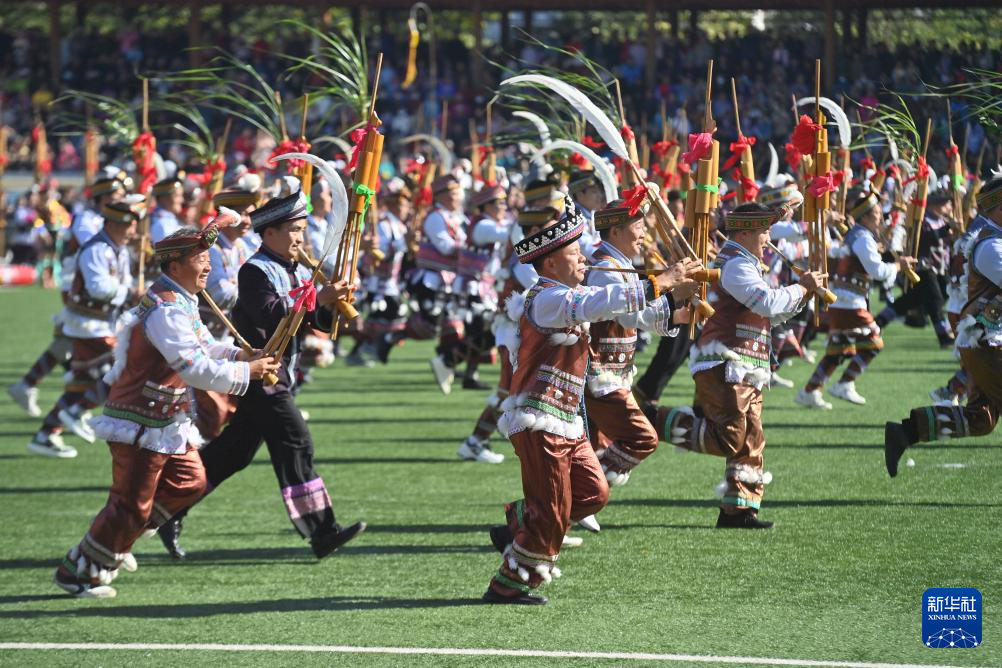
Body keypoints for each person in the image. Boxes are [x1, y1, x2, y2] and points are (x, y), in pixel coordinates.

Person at [483, 202, 700, 605]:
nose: (584, 258)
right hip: (539, 419)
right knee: (553, 513)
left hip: (567, 418)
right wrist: (661, 282)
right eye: (574, 253)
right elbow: (600, 303)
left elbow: (610, 303)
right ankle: (507, 585)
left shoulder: (568, 293)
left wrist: (674, 301)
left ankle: (523, 518)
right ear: (551, 263)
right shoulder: (546, 299)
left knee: (594, 492)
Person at [53, 222, 278, 598]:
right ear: (175, 266)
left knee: (190, 482)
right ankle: (76, 571)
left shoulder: (181, 300)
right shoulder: (166, 310)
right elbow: (193, 367)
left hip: (166, 419)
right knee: (131, 505)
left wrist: (240, 355)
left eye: (208, 257)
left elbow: (205, 345)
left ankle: (119, 541)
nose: (208, 265)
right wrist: (247, 372)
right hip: (140, 421)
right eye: (200, 258)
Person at [168, 190, 366, 559]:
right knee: (297, 441)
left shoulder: (299, 269)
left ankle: (168, 509)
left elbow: (313, 320)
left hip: (280, 373)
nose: (300, 238)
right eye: (294, 230)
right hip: (261, 376)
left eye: (302, 229)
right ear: (270, 233)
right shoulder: (254, 270)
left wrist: (333, 307)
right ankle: (322, 531)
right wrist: (319, 299)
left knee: (233, 453)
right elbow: (269, 313)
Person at [649, 203, 826, 529]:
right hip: (724, 361)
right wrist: (801, 287)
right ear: (745, 233)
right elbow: (766, 302)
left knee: (751, 440)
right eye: (764, 232)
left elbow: (771, 315)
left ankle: (739, 510)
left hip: (747, 365)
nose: (768, 239)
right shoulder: (735, 265)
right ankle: (653, 420)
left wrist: (805, 295)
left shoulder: (746, 264)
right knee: (730, 437)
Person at [884, 178, 1002, 475]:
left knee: (981, 419)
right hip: (988, 343)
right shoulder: (991, 246)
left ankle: (906, 432)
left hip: (987, 342)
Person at [584, 199, 693, 487]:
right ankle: (583, 493)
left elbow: (637, 314)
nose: (645, 233)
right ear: (616, 231)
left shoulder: (620, 264)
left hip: (613, 375)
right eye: (639, 226)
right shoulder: (604, 268)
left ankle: (575, 499)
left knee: (592, 451)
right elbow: (629, 315)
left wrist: (677, 311)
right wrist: (671, 294)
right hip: (599, 377)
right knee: (642, 438)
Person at [27, 200, 142, 458]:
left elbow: (123, 282)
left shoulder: (119, 250)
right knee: (125, 370)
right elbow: (98, 288)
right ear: (113, 224)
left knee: (82, 384)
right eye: (129, 226)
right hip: (89, 325)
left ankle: (45, 435)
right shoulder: (97, 249)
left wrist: (134, 290)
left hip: (103, 324)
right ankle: (77, 411)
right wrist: (130, 292)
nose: (134, 232)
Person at [8, 176, 126, 417]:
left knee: (69, 339)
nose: (121, 200)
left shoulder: (100, 219)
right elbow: (95, 247)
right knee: (85, 339)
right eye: (117, 196)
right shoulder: (86, 219)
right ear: (103, 198)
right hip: (78, 286)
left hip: (89, 287)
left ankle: (34, 386)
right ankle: (74, 403)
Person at [795, 191, 916, 409]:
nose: (881, 217)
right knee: (873, 343)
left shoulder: (858, 236)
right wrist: (899, 266)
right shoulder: (862, 238)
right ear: (865, 218)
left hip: (843, 300)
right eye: (876, 213)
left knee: (839, 349)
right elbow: (878, 271)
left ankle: (810, 391)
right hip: (849, 301)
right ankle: (845, 383)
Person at [457, 206, 555, 464]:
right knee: (509, 390)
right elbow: (541, 289)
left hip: (520, 331)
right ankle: (475, 441)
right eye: (550, 228)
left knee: (524, 389)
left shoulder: (531, 254)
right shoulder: (524, 258)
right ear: (535, 230)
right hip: (513, 332)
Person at [408, 174, 469, 394]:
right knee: (433, 324)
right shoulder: (435, 217)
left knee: (454, 325)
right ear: (442, 196)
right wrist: (472, 249)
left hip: (451, 279)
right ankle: (387, 337)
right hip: (433, 279)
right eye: (454, 194)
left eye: (459, 193)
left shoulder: (456, 217)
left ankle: (446, 363)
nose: (458, 197)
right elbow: (445, 247)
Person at [149, 178, 185, 243]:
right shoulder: (162, 224)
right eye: (177, 196)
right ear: (164, 199)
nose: (182, 200)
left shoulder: (168, 221)